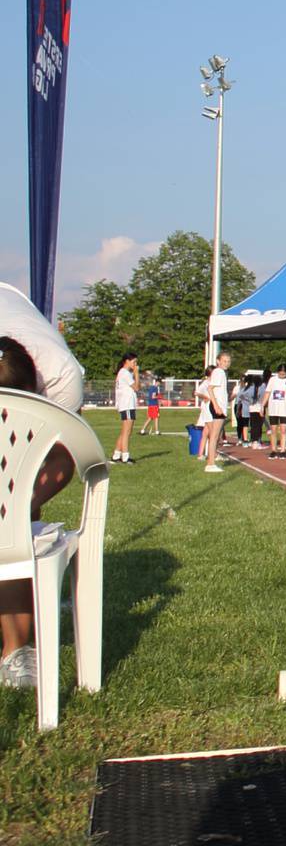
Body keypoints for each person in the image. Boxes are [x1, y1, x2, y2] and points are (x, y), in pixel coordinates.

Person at [0, 282, 81, 689]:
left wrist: (20, 502)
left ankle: (17, 649)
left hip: (44, 428)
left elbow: (68, 457)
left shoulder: (62, 377)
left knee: (15, 521)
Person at [199, 351, 232, 472]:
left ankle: (211, 461)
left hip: (219, 406)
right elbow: (210, 388)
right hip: (218, 406)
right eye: (224, 361)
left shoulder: (221, 372)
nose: (226, 363)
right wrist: (216, 405)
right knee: (214, 436)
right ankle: (210, 463)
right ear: (218, 361)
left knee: (215, 435)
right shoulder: (219, 372)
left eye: (228, 361)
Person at [110, 352, 140, 464]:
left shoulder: (124, 373)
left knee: (125, 431)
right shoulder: (125, 373)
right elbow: (136, 387)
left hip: (128, 404)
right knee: (127, 431)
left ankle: (116, 455)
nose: (135, 364)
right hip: (126, 405)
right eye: (134, 362)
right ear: (127, 361)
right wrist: (136, 374)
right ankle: (125, 456)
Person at [263, 365, 286, 458]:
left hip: (285, 409)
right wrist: (262, 405)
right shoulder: (272, 380)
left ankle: (282, 450)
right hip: (273, 409)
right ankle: (273, 450)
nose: (282, 374)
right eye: (280, 372)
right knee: (273, 430)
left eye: (284, 372)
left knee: (283, 430)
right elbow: (267, 393)